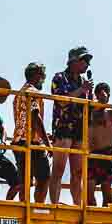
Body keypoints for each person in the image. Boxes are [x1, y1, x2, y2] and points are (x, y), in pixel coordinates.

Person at [48, 47, 94, 195]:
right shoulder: (59, 78)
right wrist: (82, 90)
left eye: (88, 61)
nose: (87, 64)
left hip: (79, 129)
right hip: (63, 128)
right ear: (73, 61)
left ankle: (78, 207)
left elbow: (89, 108)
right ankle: (54, 205)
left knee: (78, 172)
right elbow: (61, 101)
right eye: (84, 60)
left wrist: (90, 97)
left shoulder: (83, 82)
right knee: (58, 169)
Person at [13, 61, 51, 202]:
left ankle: (24, 209)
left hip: (18, 141)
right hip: (31, 141)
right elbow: (35, 116)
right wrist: (47, 144)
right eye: (42, 75)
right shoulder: (33, 92)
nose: (44, 78)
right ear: (36, 76)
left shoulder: (19, 93)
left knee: (25, 181)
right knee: (44, 178)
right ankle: (38, 208)